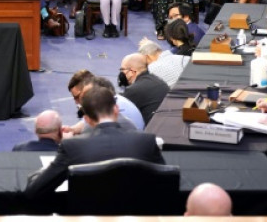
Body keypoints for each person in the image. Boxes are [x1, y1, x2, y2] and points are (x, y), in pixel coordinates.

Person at [24, 85, 164, 199]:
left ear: (87, 119)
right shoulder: (147, 142)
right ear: (116, 110)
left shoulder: (72, 147)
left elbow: (34, 191)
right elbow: (167, 183)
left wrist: (37, 174)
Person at [120, 53, 170, 124]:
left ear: (131, 71)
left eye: (123, 69)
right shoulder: (158, 81)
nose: (122, 74)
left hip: (151, 129)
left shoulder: (134, 90)